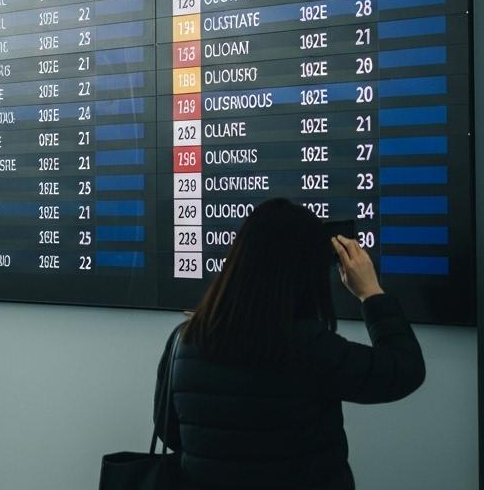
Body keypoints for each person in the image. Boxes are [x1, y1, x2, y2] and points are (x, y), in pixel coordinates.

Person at [156, 198, 425, 489]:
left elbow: (169, 432)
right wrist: (371, 293)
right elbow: (403, 370)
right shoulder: (307, 346)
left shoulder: (186, 341)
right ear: (305, 272)